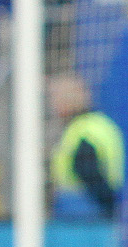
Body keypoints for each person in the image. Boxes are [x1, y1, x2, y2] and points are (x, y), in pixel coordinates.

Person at [50, 76, 123, 219]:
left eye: (56, 100)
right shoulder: (102, 124)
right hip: (96, 209)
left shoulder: (82, 130)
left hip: (83, 213)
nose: (54, 106)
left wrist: (106, 205)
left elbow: (88, 171)